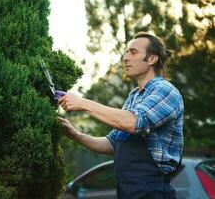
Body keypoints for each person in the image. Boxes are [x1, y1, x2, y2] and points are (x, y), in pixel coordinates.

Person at [58, 32, 184, 199]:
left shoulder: (165, 90)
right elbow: (112, 143)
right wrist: (76, 135)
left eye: (133, 52)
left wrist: (82, 103)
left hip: (151, 190)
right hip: (127, 190)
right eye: (125, 52)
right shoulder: (134, 97)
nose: (125, 57)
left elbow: (135, 122)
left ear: (152, 59)